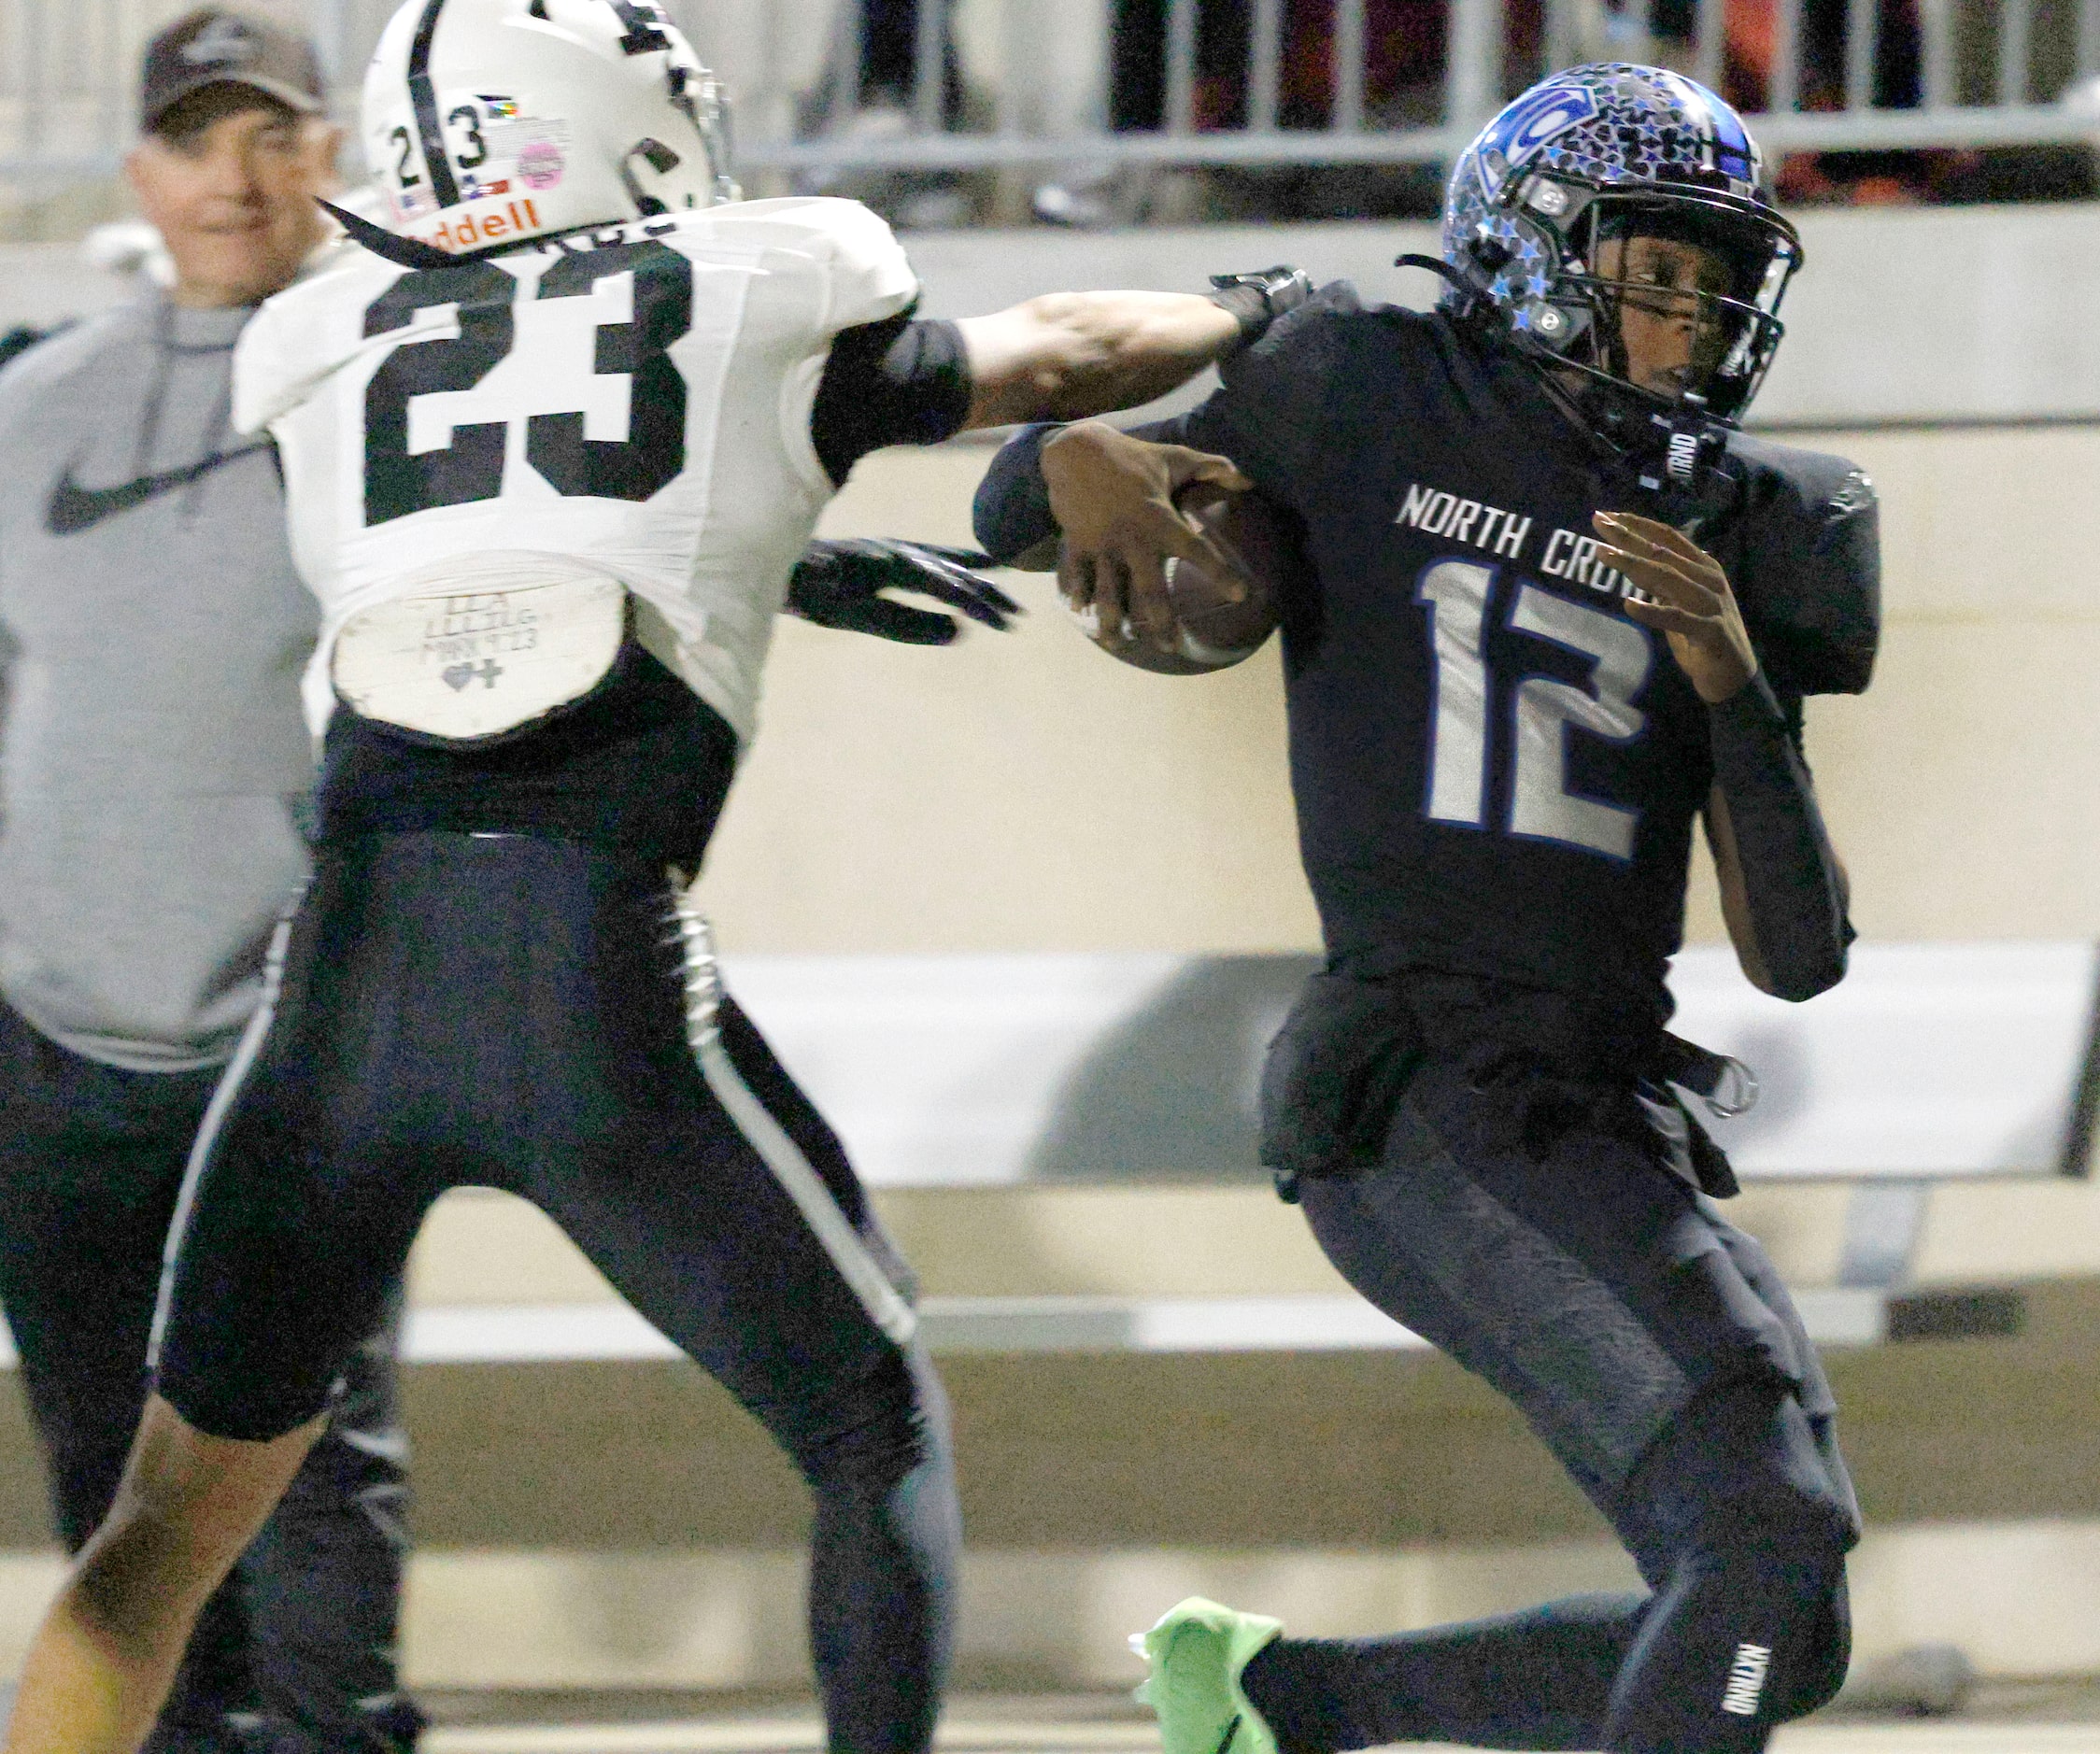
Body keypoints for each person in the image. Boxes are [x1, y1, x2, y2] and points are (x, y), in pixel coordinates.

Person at [0, 1, 1306, 1748]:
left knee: (160, 1529)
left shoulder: (324, 343)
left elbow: (495, 528)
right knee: (868, 1428)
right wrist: (1270, 308)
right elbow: (1064, 348)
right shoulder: (747, 291)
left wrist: (780, 558)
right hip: (583, 969)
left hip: (337, 991)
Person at [973, 63, 1879, 1754]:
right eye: (1655, 272)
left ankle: (1280, 1704)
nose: (1693, 323)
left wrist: (1736, 686)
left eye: (1719, 282)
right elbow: (1015, 491)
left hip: (1599, 1104)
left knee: (1786, 1614)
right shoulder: (1363, 381)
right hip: (1423, 1085)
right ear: (1534, 249)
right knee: (1759, 1532)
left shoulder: (1761, 519)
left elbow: (1802, 954)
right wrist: (1075, 454)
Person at [0, 13, 422, 1750]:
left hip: (298, 1031)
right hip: (50, 1041)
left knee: (315, 1459)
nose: (235, 178)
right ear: (139, 176)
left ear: (334, 156)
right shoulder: (30, 407)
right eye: (197, 138)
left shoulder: (413, 385)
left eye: (274, 133)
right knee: (109, 1458)